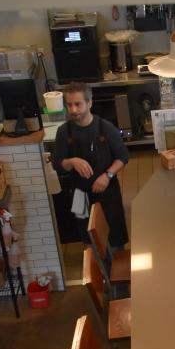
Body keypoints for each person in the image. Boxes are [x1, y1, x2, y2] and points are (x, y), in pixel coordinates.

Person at [51, 82, 129, 248]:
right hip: (80, 194)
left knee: (114, 239)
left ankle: (118, 270)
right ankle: (96, 270)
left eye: (78, 104)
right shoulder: (64, 132)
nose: (73, 110)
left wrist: (107, 176)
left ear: (89, 103)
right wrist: (72, 161)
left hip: (107, 193)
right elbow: (58, 164)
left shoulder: (105, 128)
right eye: (69, 105)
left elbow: (122, 157)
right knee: (90, 242)